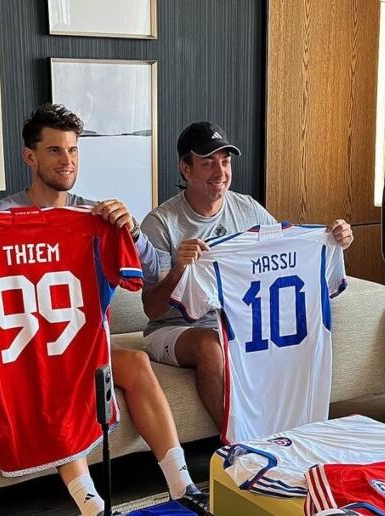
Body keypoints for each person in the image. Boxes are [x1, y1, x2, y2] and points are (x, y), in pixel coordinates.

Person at [0, 104, 204, 516]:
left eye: (73, 150)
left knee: (136, 363)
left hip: (80, 345)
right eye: (54, 150)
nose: (67, 160)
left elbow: (154, 271)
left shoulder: (95, 217)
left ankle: (182, 485)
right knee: (56, 375)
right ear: (29, 157)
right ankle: (90, 504)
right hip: (15, 353)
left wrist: (133, 231)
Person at [140, 121, 354, 426]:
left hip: (236, 323)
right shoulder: (161, 223)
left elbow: (286, 252)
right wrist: (179, 270)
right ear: (185, 169)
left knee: (294, 333)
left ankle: (294, 430)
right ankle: (240, 441)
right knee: (210, 346)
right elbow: (151, 309)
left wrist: (332, 238)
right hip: (173, 329)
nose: (220, 172)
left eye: (225, 162)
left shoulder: (248, 209)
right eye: (208, 163)